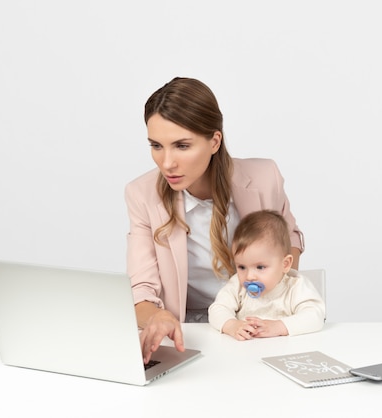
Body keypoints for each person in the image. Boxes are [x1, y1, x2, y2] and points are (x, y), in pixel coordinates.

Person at [125, 77, 304, 363]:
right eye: (156, 145)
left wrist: (270, 303)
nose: (166, 162)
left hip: (257, 325)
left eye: (182, 146)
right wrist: (157, 317)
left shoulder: (264, 177)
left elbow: (289, 243)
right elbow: (141, 289)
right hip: (190, 331)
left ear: (214, 141)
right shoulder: (142, 194)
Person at [208, 210, 325, 340]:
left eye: (260, 267)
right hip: (245, 351)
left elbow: (315, 315)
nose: (249, 276)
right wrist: (232, 325)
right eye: (242, 267)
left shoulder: (295, 286)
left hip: (283, 352)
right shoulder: (237, 286)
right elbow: (217, 309)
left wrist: (280, 327)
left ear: (285, 264)